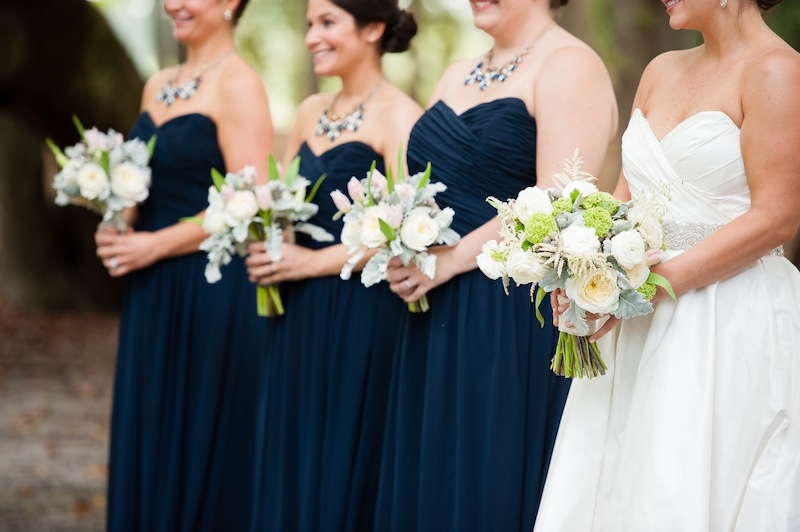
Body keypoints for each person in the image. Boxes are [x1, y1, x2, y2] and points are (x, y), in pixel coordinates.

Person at [534, 0, 800, 530]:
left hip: (723, 316)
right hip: (634, 310)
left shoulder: (777, 72)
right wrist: (586, 270)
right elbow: (623, 200)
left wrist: (650, 287)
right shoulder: (660, 70)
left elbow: (776, 219)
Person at [374, 0, 618, 530]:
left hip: (503, 309)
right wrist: (403, 241)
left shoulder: (569, 65)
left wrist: (452, 260)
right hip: (427, 308)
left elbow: (556, 202)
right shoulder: (457, 71)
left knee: (486, 474)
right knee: (432, 472)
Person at [94, 0, 274, 530]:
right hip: (150, 288)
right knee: (150, 423)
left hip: (207, 287)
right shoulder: (160, 83)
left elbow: (250, 200)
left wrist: (155, 245)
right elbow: (141, 179)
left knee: (197, 435)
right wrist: (115, 217)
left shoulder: (240, 84)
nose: (173, 4)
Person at [243, 0, 421, 529]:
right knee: (291, 443)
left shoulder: (403, 116)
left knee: (345, 451)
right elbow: (287, 200)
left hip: (361, 313)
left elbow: (405, 232)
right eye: (308, 25)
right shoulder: (308, 111)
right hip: (295, 310)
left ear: (371, 27)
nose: (311, 37)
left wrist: (306, 263)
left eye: (326, 23)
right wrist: (267, 235)